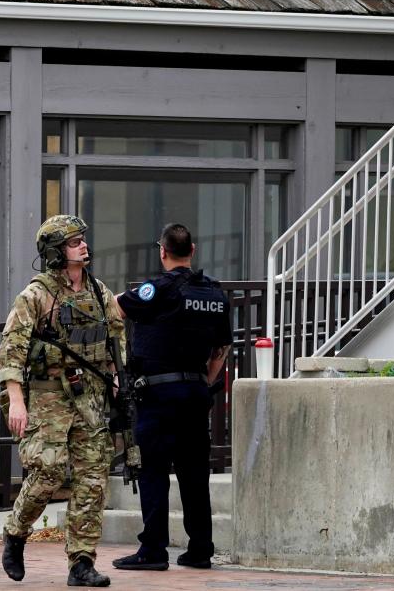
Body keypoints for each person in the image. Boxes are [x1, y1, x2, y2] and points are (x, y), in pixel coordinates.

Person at [0, 214, 124, 587]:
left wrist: (118, 376)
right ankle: (16, 532)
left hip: (90, 397)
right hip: (48, 396)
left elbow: (116, 338)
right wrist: (16, 400)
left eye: (83, 240)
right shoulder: (35, 295)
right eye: (74, 242)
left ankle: (81, 562)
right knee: (48, 472)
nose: (83, 246)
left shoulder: (99, 293)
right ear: (56, 252)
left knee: (92, 478)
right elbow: (11, 351)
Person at [111, 223, 233, 572]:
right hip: (195, 392)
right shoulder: (214, 293)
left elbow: (117, 307)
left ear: (162, 250)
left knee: (153, 471)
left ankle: (153, 550)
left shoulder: (158, 288)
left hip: (158, 393)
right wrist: (202, 381)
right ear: (192, 250)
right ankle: (200, 550)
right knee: (195, 473)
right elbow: (221, 348)